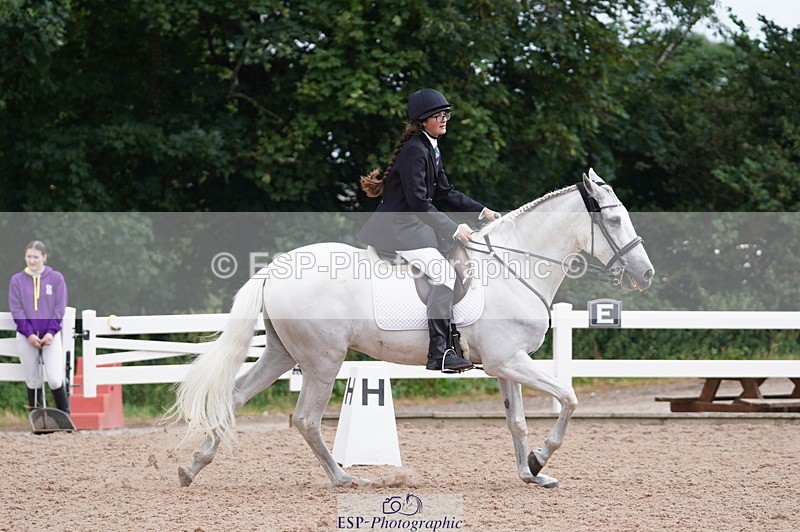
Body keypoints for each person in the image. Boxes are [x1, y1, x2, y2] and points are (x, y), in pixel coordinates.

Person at [358, 88, 501, 372]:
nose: (444, 118)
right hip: (397, 229)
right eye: (438, 115)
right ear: (423, 121)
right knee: (444, 273)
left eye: (446, 113)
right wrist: (454, 229)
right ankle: (440, 352)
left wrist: (482, 211)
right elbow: (419, 202)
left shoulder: (429, 146)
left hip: (411, 226)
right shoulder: (415, 150)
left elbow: (445, 191)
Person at [8, 240, 71, 414]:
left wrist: (51, 332)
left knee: (55, 379)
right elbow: (16, 309)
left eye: (35, 257)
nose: (32, 260)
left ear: (44, 257)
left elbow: (59, 307)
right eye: (29, 256)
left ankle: (65, 415)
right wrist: (29, 334)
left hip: (51, 335)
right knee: (33, 380)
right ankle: (37, 417)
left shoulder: (56, 278)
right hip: (26, 336)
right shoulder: (17, 280)